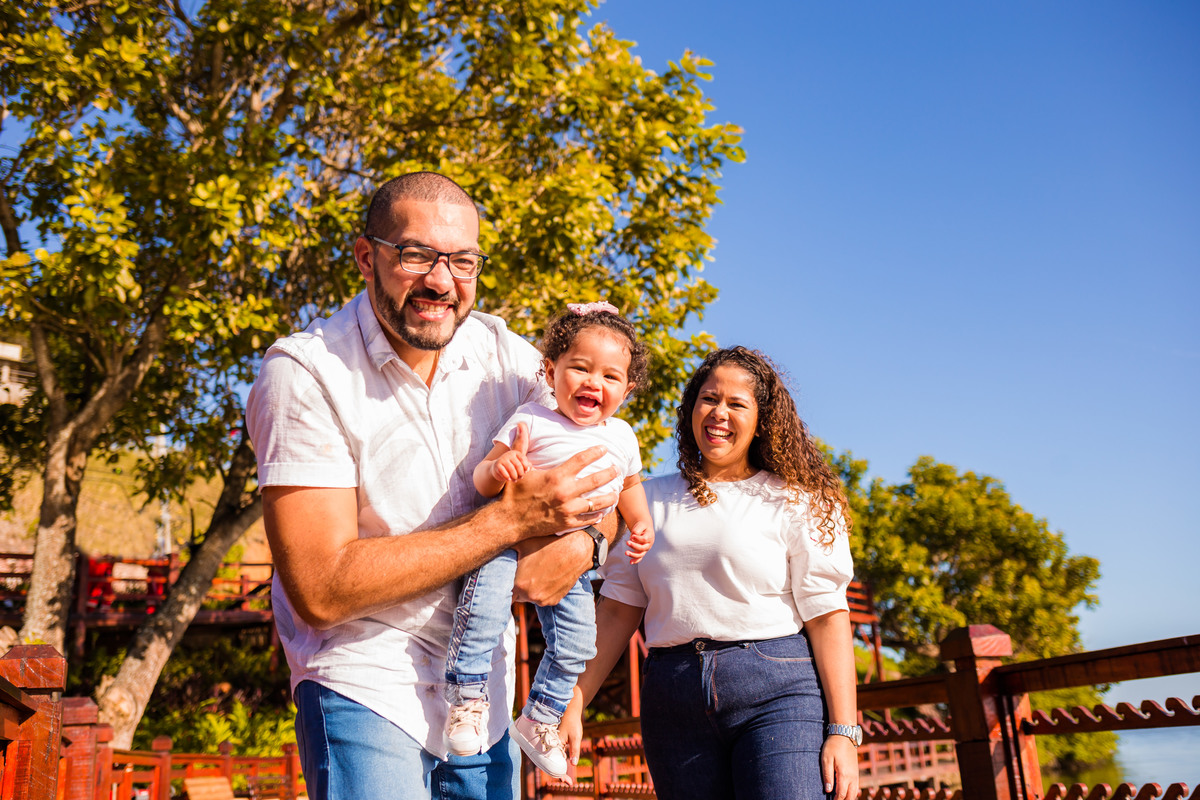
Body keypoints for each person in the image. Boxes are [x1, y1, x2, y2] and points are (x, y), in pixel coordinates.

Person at [245, 171, 622, 800]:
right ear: (367, 256)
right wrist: (506, 524)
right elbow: (319, 586)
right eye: (416, 255)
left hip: (486, 696)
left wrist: (586, 544)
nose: (441, 281)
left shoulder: (505, 354)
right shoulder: (305, 375)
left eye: (463, 261)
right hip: (365, 681)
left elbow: (604, 466)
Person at [560, 346, 862, 800]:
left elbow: (826, 616)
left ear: (763, 419)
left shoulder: (798, 500)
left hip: (776, 691)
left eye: (737, 404)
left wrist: (843, 731)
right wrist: (573, 701)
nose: (719, 413)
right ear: (691, 409)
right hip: (671, 695)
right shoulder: (645, 499)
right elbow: (619, 608)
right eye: (709, 399)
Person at [444, 302, 655, 779]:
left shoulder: (622, 436)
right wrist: (499, 470)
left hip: (574, 560)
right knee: (482, 615)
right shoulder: (531, 419)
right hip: (507, 541)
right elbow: (481, 479)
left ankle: (539, 716)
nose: (592, 383)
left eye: (610, 376)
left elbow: (629, 489)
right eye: (579, 368)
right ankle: (468, 697)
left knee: (580, 643)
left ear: (628, 388)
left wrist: (641, 525)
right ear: (550, 370)